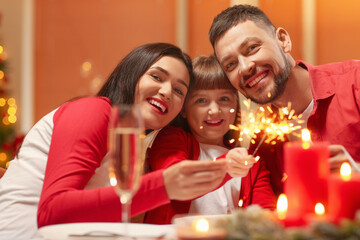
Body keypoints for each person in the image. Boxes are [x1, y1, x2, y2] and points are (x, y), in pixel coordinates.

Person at [0, 43, 229, 239]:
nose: (167, 91)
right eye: (157, 77)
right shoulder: (94, 110)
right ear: (127, 78)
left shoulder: (132, 143)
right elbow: (53, 212)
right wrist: (164, 186)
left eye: (179, 91)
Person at [209, 4, 360, 196]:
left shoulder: (355, 82)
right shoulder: (263, 144)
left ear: (283, 40)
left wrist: (356, 173)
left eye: (252, 48)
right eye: (231, 64)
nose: (245, 67)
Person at [144, 55, 275, 224]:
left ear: (236, 106)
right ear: (184, 109)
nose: (214, 110)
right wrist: (225, 166)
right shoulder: (172, 138)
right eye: (201, 100)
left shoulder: (252, 163)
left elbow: (266, 217)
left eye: (224, 99)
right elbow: (178, 179)